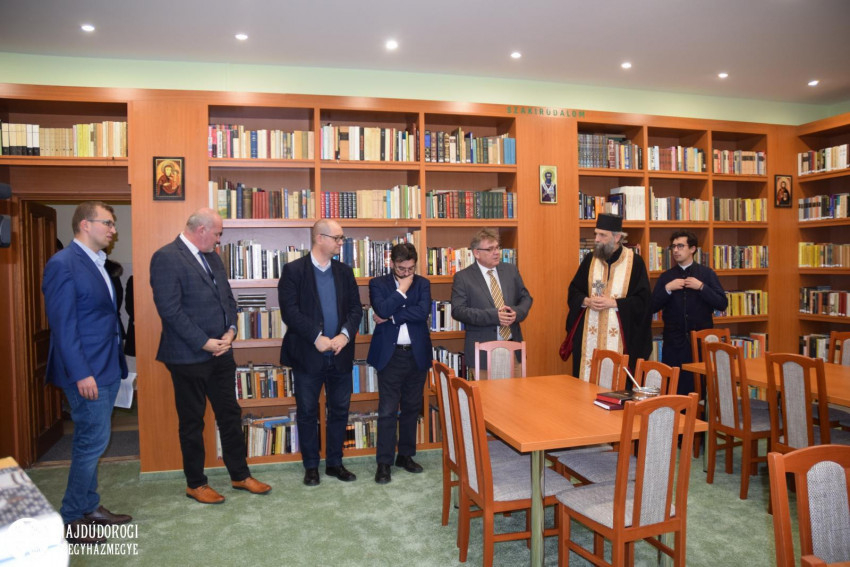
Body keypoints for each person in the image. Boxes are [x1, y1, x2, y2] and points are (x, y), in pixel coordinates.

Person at [150, 208, 270, 504]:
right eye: (217, 233)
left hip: (221, 353)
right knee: (192, 422)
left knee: (230, 414)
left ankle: (240, 475)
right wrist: (204, 342)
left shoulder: (213, 257)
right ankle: (196, 483)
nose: (219, 239)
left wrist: (231, 330)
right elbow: (170, 310)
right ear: (201, 230)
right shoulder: (166, 257)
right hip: (187, 356)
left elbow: (227, 298)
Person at [42, 201, 131, 544]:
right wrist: (81, 373)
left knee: (95, 439)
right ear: (85, 225)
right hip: (87, 370)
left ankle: (89, 507)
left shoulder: (97, 262)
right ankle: (72, 518)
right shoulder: (63, 263)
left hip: (105, 365)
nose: (113, 230)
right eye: (107, 223)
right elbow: (64, 326)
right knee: (91, 442)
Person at [278, 219, 363, 486]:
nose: (341, 243)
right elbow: (290, 312)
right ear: (319, 238)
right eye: (337, 238)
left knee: (339, 410)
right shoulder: (294, 271)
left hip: (340, 353)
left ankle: (335, 463)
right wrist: (316, 337)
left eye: (341, 238)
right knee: (307, 412)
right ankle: (311, 466)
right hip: (307, 354)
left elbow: (356, 309)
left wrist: (344, 335)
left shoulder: (344, 272)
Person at [367, 243, 433, 484]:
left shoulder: (423, 283)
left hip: (416, 354)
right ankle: (384, 463)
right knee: (387, 411)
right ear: (392, 263)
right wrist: (402, 290)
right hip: (390, 356)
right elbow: (381, 308)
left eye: (411, 269)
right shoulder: (377, 284)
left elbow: (422, 312)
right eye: (401, 268)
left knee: (412, 408)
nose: (407, 273)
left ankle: (405, 456)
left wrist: (392, 317)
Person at [565, 213, 652, 381]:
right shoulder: (590, 260)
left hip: (621, 339)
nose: (597, 239)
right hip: (589, 338)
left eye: (602, 235)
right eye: (596, 234)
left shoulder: (634, 262)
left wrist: (614, 303)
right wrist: (586, 301)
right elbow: (574, 291)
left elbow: (644, 302)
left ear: (617, 237)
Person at [651, 230, 727, 395]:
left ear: (692, 249)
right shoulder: (666, 277)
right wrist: (667, 289)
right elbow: (651, 307)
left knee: (700, 389)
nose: (675, 250)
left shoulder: (707, 274)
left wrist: (702, 287)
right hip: (674, 344)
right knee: (674, 388)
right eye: (673, 247)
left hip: (700, 345)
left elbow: (722, 303)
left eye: (680, 246)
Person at [451, 228, 533, 378]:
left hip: (513, 349)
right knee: (485, 394)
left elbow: (526, 298)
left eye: (497, 247)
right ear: (476, 253)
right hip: (482, 353)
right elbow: (458, 311)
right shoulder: (463, 277)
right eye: (490, 249)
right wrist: (494, 316)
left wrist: (517, 313)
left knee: (518, 392)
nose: (496, 253)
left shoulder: (510, 270)